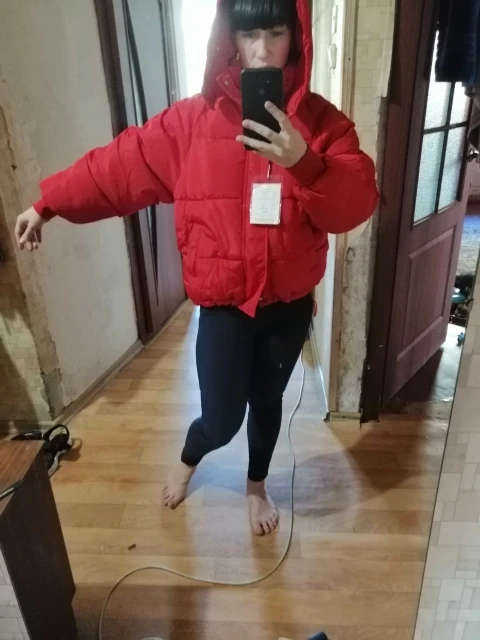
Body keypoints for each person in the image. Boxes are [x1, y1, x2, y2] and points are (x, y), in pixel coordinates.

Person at [15, 0, 379, 536]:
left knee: (268, 403)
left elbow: (356, 202)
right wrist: (49, 203)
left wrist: (304, 162)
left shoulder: (323, 124)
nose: (261, 51)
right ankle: (190, 458)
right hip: (224, 305)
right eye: (248, 34)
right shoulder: (193, 122)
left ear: (296, 36)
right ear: (229, 37)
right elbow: (120, 165)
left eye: (274, 33)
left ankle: (256, 487)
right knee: (222, 417)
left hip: (288, 306)